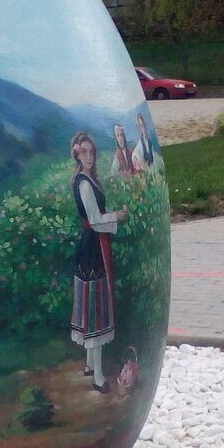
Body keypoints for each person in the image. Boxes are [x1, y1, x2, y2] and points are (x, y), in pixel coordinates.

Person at [70, 131, 128, 394]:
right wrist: (118, 216)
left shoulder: (87, 179)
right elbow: (94, 220)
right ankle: (98, 376)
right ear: (77, 154)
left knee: (92, 304)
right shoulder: (84, 183)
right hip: (93, 249)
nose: (89, 157)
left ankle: (90, 364)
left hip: (93, 246)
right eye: (84, 152)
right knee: (95, 309)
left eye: (92, 152)